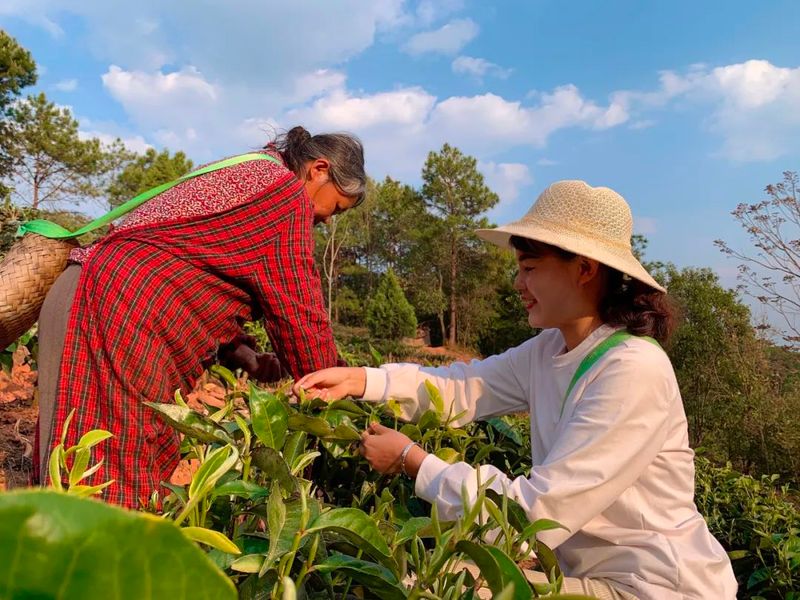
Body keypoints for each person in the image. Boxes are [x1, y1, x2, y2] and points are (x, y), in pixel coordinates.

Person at [295, 181, 737, 600]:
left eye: (529, 269)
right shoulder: (550, 349)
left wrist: (413, 462)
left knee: (435, 585)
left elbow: (535, 514)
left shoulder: (632, 369)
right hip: (586, 574)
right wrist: (362, 379)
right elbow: (464, 386)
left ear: (584, 269)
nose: (518, 284)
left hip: (652, 585)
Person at [37, 126, 366, 508]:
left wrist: (243, 355)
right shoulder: (285, 195)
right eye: (337, 207)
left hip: (76, 295)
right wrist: (339, 385)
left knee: (68, 461)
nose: (327, 221)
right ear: (319, 170)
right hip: (116, 313)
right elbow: (300, 314)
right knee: (118, 476)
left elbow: (200, 264)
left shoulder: (251, 170)